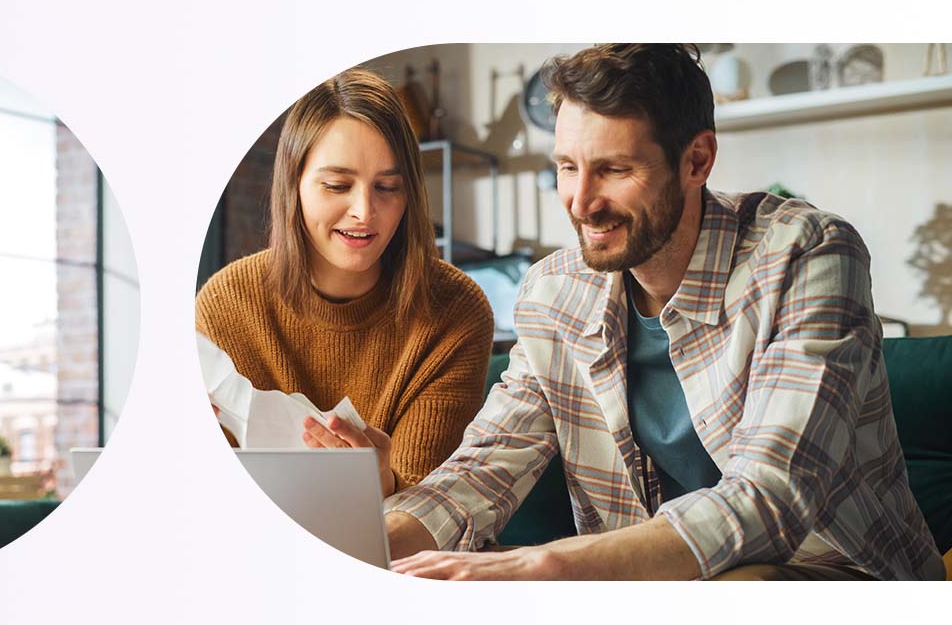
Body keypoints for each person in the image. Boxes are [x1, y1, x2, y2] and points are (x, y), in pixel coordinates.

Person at [383, 44, 945, 581]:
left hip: (831, 570)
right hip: (645, 582)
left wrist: (546, 565)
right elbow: (484, 467)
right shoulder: (553, 292)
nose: (580, 202)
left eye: (614, 169)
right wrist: (371, 544)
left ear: (696, 160)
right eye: (567, 167)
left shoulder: (806, 253)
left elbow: (771, 494)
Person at [196, 67, 495, 499]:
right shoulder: (226, 304)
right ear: (293, 185)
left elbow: (432, 505)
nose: (364, 211)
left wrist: (383, 485)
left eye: (388, 187)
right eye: (337, 185)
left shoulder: (455, 310)